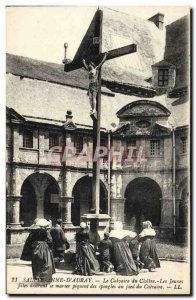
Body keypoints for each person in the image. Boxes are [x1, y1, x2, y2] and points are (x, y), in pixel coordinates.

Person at [21, 218, 55, 282]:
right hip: (44, 247)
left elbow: (30, 240)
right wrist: (50, 246)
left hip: (35, 247)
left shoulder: (33, 232)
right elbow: (50, 240)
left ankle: (37, 277)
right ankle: (44, 278)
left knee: (36, 262)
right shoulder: (46, 231)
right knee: (46, 263)